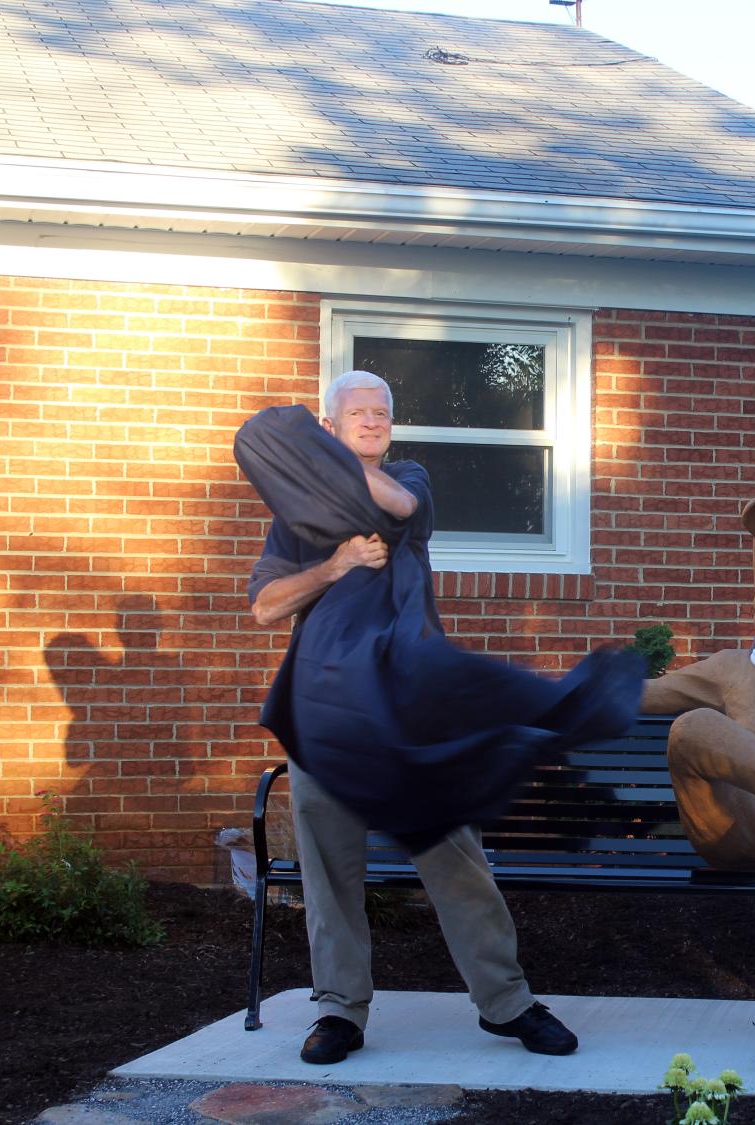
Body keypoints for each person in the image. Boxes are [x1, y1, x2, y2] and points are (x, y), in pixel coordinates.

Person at [248, 370, 578, 1065]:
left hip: (406, 706)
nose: (372, 421)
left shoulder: (410, 478)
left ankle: (507, 1001)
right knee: (329, 868)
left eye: (382, 412)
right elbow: (266, 605)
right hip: (323, 711)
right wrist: (333, 564)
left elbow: (397, 506)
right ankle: (338, 1010)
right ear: (331, 428)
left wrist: (324, 469)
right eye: (356, 413)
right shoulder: (294, 520)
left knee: (454, 854)